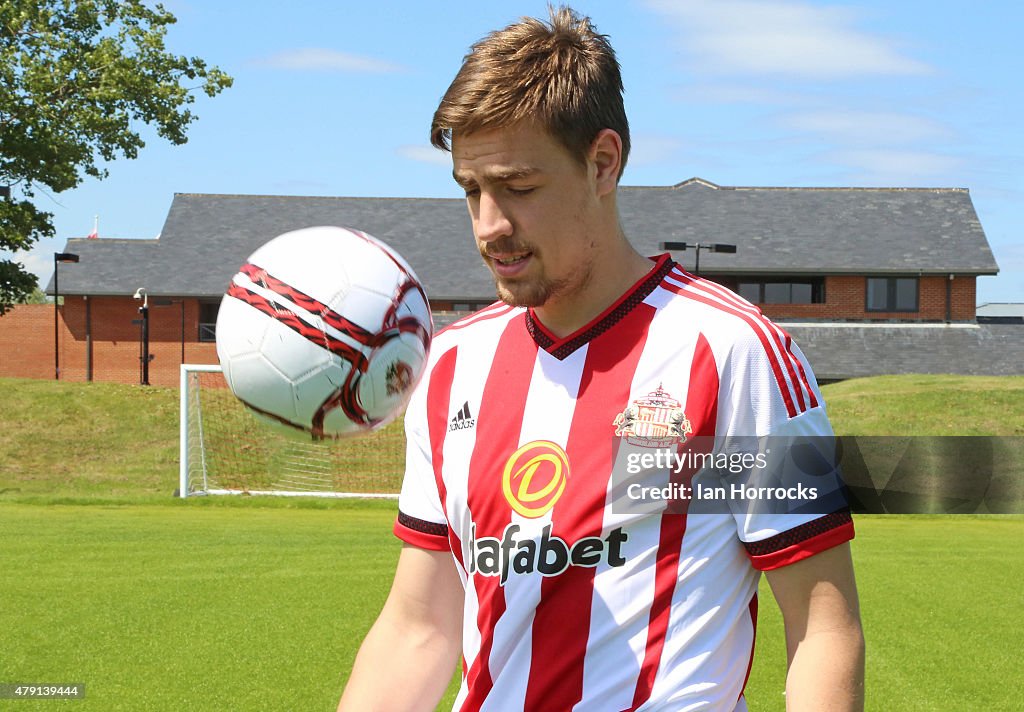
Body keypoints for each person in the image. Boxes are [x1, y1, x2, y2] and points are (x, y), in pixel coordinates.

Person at [339, 6, 864, 711]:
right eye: (472, 191)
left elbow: (822, 626)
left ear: (603, 162)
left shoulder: (735, 352)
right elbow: (420, 628)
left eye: (519, 187)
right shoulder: (451, 366)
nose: (490, 225)